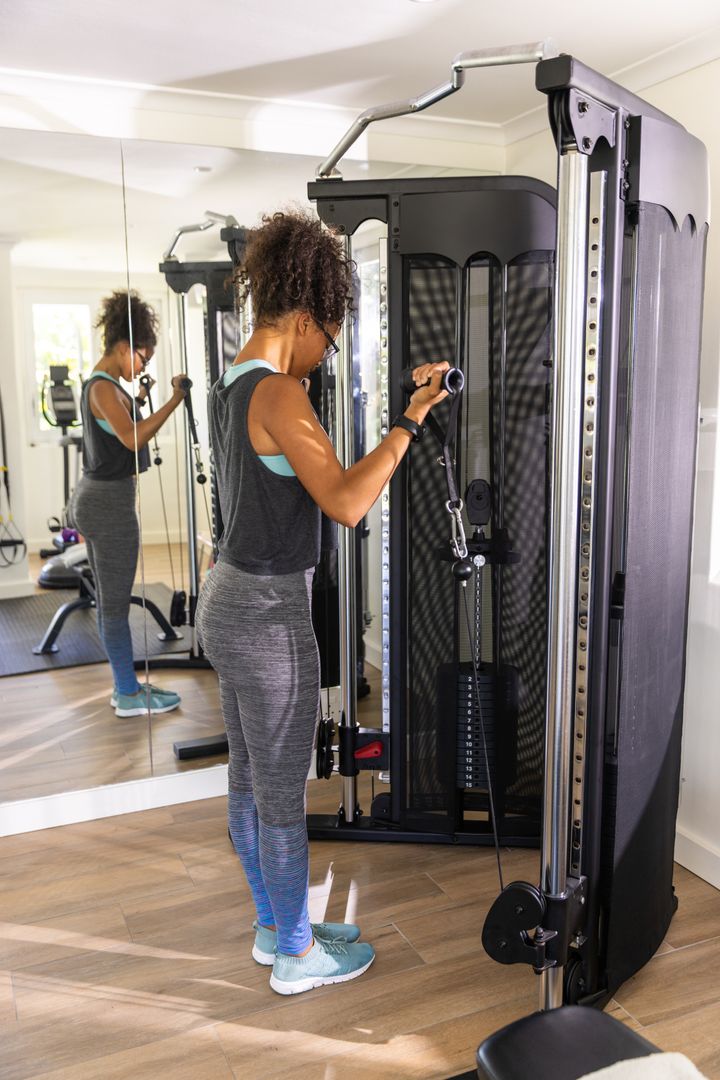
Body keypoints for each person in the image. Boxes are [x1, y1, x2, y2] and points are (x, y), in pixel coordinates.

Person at [195, 209, 449, 996]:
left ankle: (275, 927)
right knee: (278, 795)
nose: (323, 356)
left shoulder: (229, 383)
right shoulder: (279, 392)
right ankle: (298, 957)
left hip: (227, 601)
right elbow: (345, 500)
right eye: (328, 339)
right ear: (305, 317)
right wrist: (409, 420)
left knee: (249, 779)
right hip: (270, 617)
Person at [71, 290, 186, 718]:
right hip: (108, 504)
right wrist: (174, 399)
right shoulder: (103, 389)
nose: (144, 365)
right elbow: (133, 438)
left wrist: (139, 398)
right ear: (124, 347)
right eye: (143, 357)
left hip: (103, 500)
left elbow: (123, 425)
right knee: (116, 606)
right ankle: (127, 694)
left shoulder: (109, 388)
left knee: (111, 603)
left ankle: (126, 687)